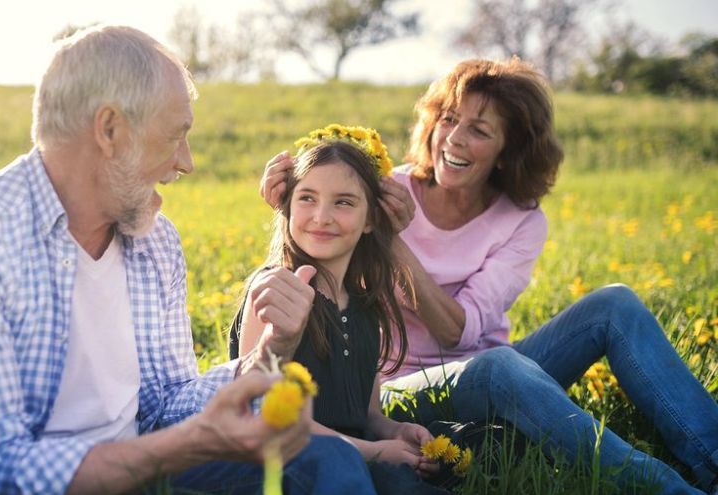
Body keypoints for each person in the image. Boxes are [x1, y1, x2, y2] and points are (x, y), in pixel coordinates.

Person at [0, 25, 377, 495]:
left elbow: (165, 406)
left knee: (325, 459)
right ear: (110, 130)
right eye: (176, 136)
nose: (185, 163)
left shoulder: (155, 241)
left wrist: (268, 355)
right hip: (42, 479)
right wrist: (178, 449)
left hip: (141, 463)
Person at [259, 58, 718, 494]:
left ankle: (713, 460)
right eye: (448, 120)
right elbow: (313, 239)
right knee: (500, 367)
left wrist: (394, 241)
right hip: (397, 389)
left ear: (508, 150)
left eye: (478, 130)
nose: (454, 139)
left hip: (498, 369)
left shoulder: (522, 219)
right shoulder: (382, 192)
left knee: (613, 305)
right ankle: (664, 488)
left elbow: (459, 331)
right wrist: (287, 197)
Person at [229, 126, 447, 494]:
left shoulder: (367, 305)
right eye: (307, 198)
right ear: (287, 205)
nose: (322, 216)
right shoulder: (274, 289)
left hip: (356, 457)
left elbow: (368, 414)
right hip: (288, 465)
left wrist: (395, 431)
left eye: (343, 202)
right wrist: (376, 451)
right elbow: (267, 416)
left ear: (371, 221)